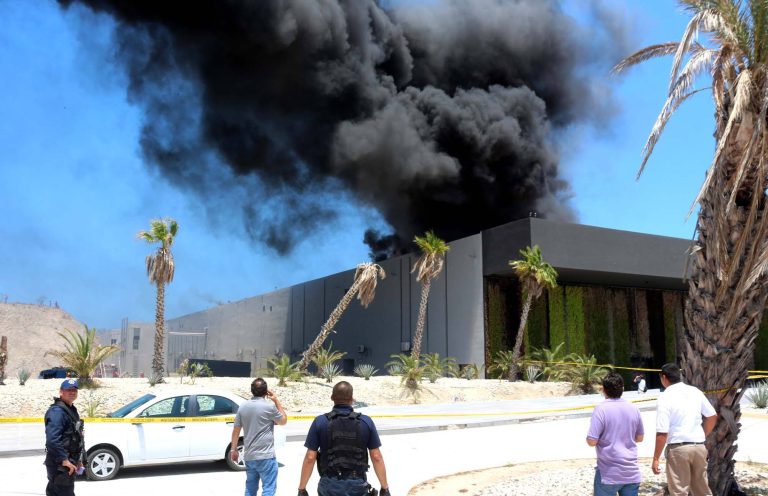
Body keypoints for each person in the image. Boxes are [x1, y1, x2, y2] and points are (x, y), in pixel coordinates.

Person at [297, 381, 390, 496]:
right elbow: (376, 457)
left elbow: (310, 457)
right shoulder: (366, 422)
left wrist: (302, 489)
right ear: (352, 399)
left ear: (332, 397)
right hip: (356, 485)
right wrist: (385, 488)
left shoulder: (320, 422)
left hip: (329, 484)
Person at [652, 363, 717, 496]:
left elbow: (662, 433)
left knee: (679, 491)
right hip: (699, 447)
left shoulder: (665, 397)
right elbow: (712, 416)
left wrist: (656, 458)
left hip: (678, 448)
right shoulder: (695, 391)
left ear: (663, 377)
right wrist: (702, 435)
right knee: (702, 491)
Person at [586, 373, 645, 496]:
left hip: (608, 473)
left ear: (603, 389)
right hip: (631, 472)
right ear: (622, 389)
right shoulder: (634, 408)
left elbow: (592, 441)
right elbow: (640, 438)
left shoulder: (600, 409)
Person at [230, 377, 287, 496]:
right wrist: (276, 400)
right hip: (266, 456)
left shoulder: (243, 407)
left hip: (250, 456)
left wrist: (233, 450)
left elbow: (236, 430)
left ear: (252, 391)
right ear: (266, 392)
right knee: (268, 489)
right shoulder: (269, 407)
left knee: (250, 489)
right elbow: (283, 421)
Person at [44, 378, 85, 496]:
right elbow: (52, 440)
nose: (72, 392)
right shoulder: (57, 411)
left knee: (55, 492)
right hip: (60, 463)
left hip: (68, 461)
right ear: (61, 392)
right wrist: (64, 460)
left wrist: (79, 460)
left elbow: (76, 436)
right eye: (69, 390)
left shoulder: (70, 409)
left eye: (74, 390)